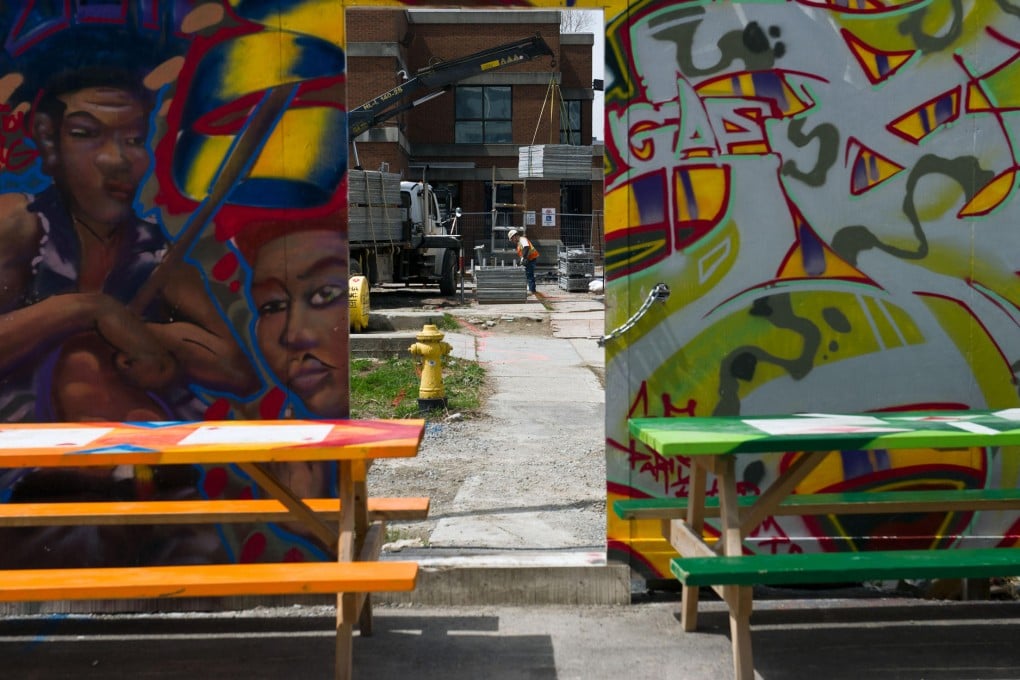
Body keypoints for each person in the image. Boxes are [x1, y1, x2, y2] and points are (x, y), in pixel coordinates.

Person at [508, 228, 540, 294]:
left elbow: (526, 247)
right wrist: (520, 261)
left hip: (531, 259)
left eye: (512, 239)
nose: (512, 241)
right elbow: (523, 253)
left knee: (529, 274)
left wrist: (524, 259)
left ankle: (532, 290)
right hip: (529, 259)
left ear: (514, 236)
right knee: (528, 274)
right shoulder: (519, 243)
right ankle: (531, 288)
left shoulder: (522, 239)